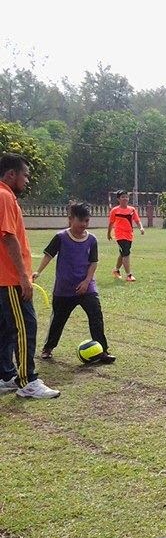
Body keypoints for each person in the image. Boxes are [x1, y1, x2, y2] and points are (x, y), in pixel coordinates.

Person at [0, 153, 59, 399]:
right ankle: (27, 382)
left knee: (6, 329)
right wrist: (24, 277)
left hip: (5, 279)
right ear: (11, 174)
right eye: (25, 176)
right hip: (11, 279)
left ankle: (6, 376)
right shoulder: (4, 196)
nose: (27, 181)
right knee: (25, 326)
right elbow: (8, 237)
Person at [33, 203, 116, 364]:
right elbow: (49, 255)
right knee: (58, 320)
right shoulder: (60, 237)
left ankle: (102, 351)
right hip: (64, 289)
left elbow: (93, 263)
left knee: (96, 316)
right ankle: (48, 348)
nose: (84, 224)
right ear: (71, 219)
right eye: (81, 220)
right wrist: (38, 271)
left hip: (86, 287)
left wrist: (86, 282)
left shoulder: (91, 240)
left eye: (87, 221)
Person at [106, 190, 145, 282]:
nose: (125, 199)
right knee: (126, 253)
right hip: (120, 235)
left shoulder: (132, 210)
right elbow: (111, 223)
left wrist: (141, 228)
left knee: (123, 253)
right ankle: (129, 275)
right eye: (123, 197)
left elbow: (137, 220)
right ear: (118, 199)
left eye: (126, 197)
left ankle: (116, 270)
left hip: (129, 234)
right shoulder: (115, 210)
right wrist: (109, 233)